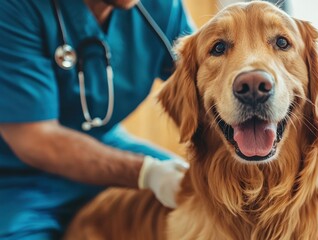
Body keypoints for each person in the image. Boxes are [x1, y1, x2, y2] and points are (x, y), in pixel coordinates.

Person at [0, 0, 194, 239]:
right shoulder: (15, 8)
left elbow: (202, 90)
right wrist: (147, 173)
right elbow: (35, 140)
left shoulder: (161, 7)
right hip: (16, 175)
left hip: (104, 143)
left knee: (195, 199)